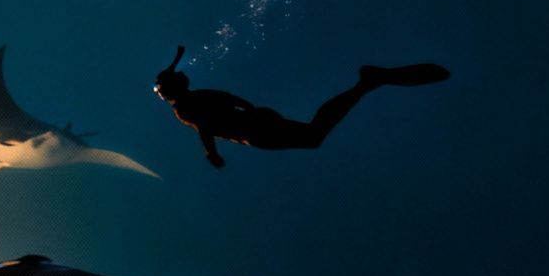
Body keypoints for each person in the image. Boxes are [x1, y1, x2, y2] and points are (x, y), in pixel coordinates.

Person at [153, 45, 448, 169]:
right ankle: (365, 85)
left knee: (313, 136)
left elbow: (206, 128)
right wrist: (256, 111)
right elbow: (234, 99)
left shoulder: (184, 110)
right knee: (312, 134)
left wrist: (212, 153)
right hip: (258, 120)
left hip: (255, 131)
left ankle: (366, 83)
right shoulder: (200, 94)